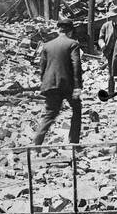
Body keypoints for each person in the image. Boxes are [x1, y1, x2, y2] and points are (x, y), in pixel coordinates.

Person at [33, 17, 85, 145]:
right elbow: (76, 65)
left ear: (58, 30)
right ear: (70, 31)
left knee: (50, 114)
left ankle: (36, 143)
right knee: (77, 110)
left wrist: (44, 83)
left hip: (50, 84)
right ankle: (74, 142)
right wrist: (77, 86)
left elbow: (42, 67)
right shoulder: (73, 44)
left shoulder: (47, 45)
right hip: (68, 86)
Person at [98, 4, 117, 96]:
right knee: (111, 74)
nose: (112, 18)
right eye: (110, 16)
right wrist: (102, 44)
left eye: (114, 16)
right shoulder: (106, 26)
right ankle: (111, 93)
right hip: (110, 53)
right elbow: (100, 38)